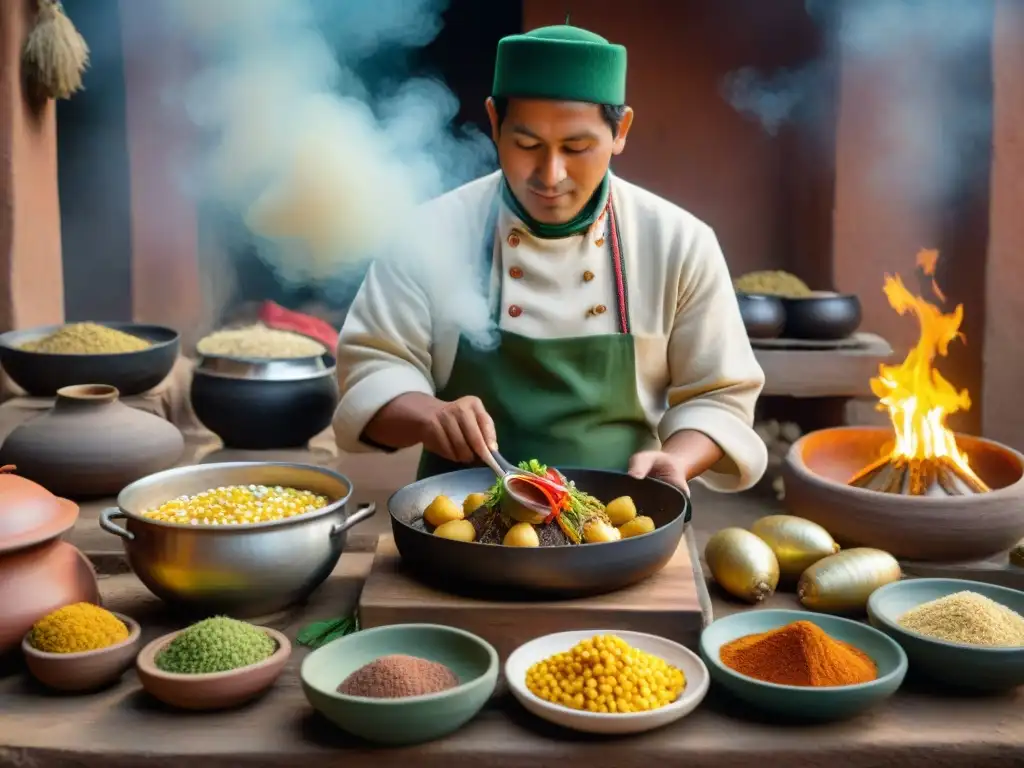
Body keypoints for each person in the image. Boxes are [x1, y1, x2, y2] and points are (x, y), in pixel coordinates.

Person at [332, 23, 767, 495]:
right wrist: (429, 414)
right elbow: (371, 372)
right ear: (495, 123)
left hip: (619, 525)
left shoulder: (678, 241)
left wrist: (676, 461)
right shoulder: (432, 232)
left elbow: (720, 396)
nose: (550, 174)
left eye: (577, 148)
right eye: (527, 145)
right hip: (453, 522)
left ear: (620, 131)